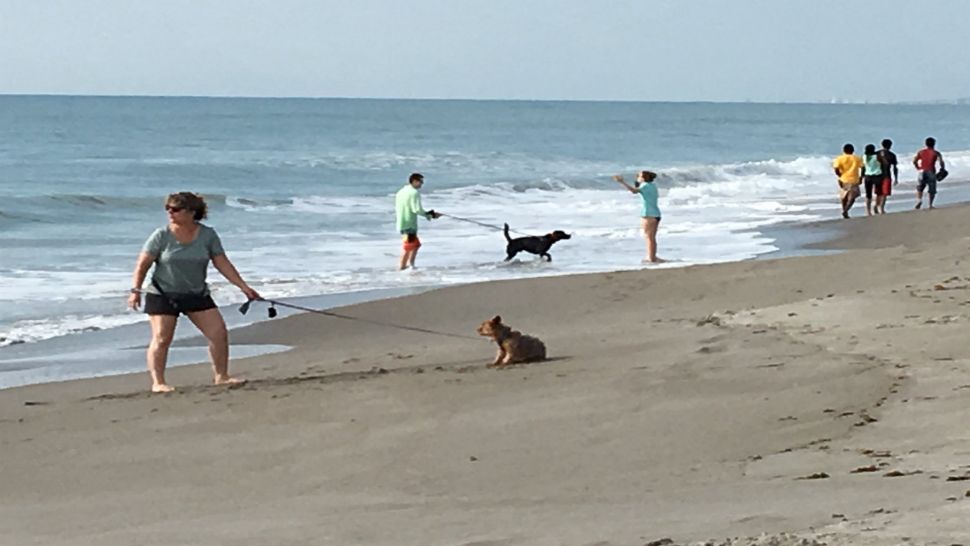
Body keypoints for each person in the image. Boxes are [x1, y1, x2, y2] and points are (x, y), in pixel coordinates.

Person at [128, 192, 260, 393]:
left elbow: (222, 262)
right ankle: (158, 382)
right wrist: (135, 291)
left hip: (196, 293)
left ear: (191, 212)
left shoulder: (207, 235)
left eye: (175, 209)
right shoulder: (161, 235)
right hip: (163, 294)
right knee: (162, 338)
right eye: (168, 209)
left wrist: (244, 287)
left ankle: (221, 376)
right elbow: (142, 264)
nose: (170, 213)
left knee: (218, 333)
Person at [613, 171, 665, 263]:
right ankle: (652, 256)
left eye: (639, 176)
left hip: (648, 214)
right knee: (651, 237)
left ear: (644, 178)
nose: (637, 178)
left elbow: (634, 191)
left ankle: (651, 257)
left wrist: (622, 182)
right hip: (656, 213)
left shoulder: (644, 185)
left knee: (649, 237)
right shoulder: (652, 186)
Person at [394, 172, 441, 270]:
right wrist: (430, 214)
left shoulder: (401, 191)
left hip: (401, 223)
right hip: (409, 224)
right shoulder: (414, 193)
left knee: (416, 245)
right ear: (415, 181)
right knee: (408, 247)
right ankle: (402, 268)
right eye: (421, 182)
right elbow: (417, 210)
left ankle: (411, 266)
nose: (421, 184)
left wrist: (430, 214)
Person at [832, 143, 864, 218]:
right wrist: (861, 177)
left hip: (843, 179)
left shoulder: (840, 158)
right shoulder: (856, 158)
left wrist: (839, 175)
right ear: (853, 150)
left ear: (843, 150)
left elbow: (836, 168)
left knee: (844, 197)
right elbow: (863, 168)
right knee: (852, 198)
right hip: (854, 179)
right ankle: (845, 210)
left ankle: (844, 210)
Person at [913, 137, 945, 210]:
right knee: (932, 189)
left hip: (921, 171)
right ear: (934, 144)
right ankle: (930, 204)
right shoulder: (936, 153)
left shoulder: (921, 152)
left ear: (925, 144)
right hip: (931, 171)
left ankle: (919, 200)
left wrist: (918, 167)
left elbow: (914, 161)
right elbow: (941, 162)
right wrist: (942, 168)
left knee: (920, 188)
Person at [875, 138, 899, 214]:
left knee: (879, 192)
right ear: (890, 146)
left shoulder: (876, 153)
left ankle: (876, 205)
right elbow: (895, 168)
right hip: (887, 175)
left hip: (877, 175)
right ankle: (881, 208)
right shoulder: (892, 155)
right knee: (884, 193)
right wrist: (896, 178)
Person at [862, 144, 882, 216]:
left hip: (867, 176)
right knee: (878, 193)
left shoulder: (864, 157)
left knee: (868, 194)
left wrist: (862, 176)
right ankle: (876, 206)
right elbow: (884, 163)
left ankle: (868, 211)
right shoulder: (877, 156)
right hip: (877, 175)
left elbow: (863, 167)